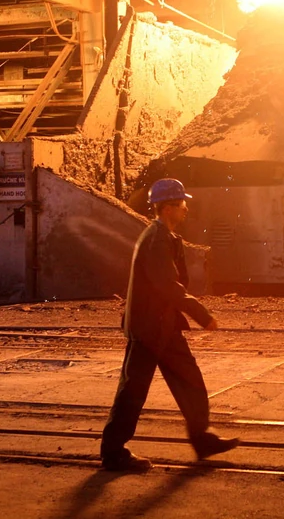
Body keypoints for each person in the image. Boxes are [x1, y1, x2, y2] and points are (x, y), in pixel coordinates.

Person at [100, 178, 240, 472]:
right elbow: (167, 284)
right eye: (181, 204)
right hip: (148, 327)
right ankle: (113, 452)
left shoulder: (165, 237)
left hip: (164, 325)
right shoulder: (156, 239)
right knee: (133, 391)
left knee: (190, 380)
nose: (186, 209)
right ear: (167, 208)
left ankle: (202, 438)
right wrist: (201, 314)